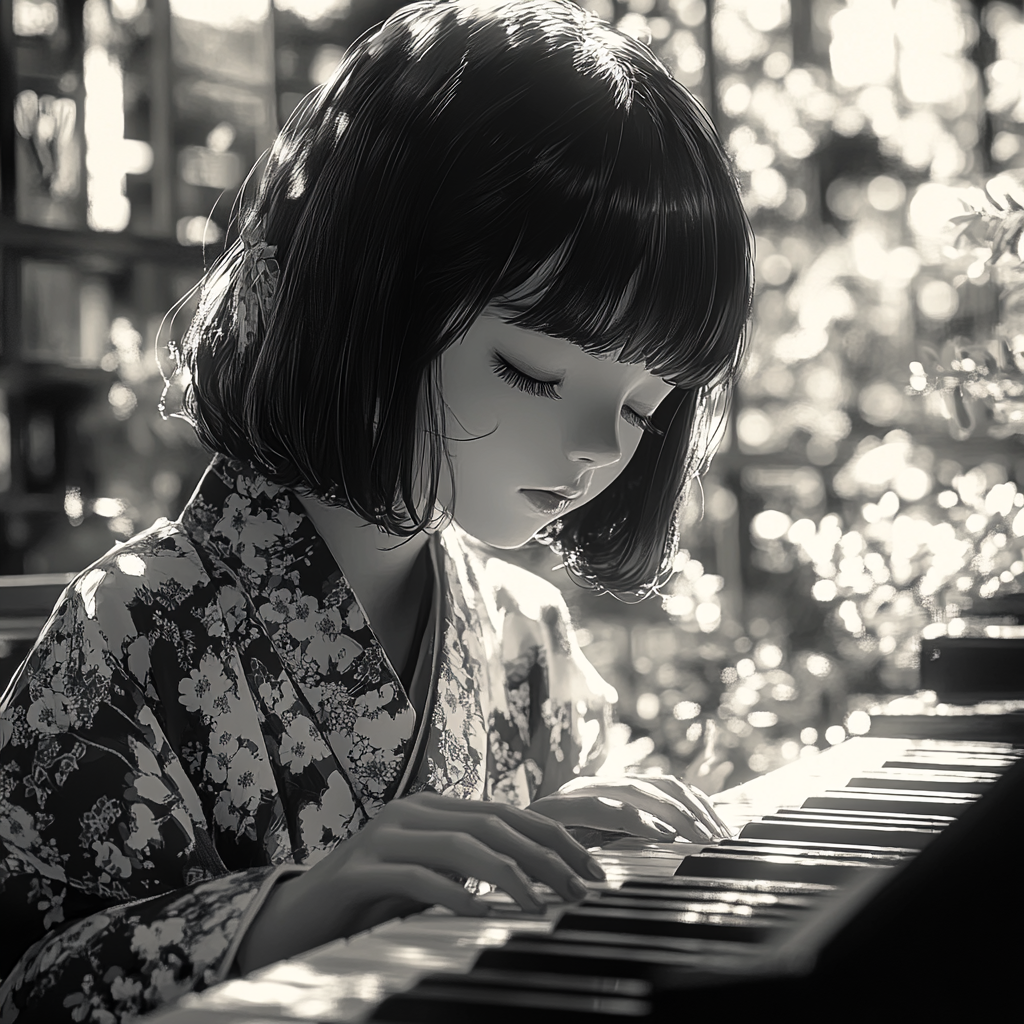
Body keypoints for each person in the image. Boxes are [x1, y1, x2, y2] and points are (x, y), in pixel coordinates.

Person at [0, 0, 753, 1018]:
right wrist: (296, 911)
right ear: (355, 295)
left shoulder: (529, 636)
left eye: (639, 406)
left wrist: (588, 837)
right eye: (534, 371)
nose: (599, 446)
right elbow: (34, 982)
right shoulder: (129, 633)